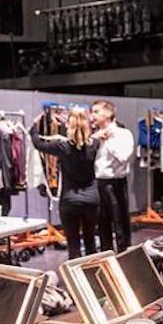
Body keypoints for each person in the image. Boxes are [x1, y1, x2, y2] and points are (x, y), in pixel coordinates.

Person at [30, 107, 100, 259]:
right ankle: (92, 277)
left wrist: (34, 127)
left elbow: (38, 144)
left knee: (73, 245)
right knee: (90, 243)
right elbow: (93, 138)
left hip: (70, 200)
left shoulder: (61, 147)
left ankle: (74, 280)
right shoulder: (95, 144)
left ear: (68, 125)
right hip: (91, 199)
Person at [91, 100, 134, 253]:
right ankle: (105, 258)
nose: (92, 115)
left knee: (120, 224)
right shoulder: (94, 136)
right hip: (97, 183)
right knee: (102, 225)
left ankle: (125, 257)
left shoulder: (123, 134)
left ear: (108, 114)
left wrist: (107, 141)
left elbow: (124, 157)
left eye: (96, 111)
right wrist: (96, 139)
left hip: (116, 183)